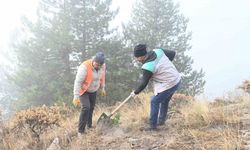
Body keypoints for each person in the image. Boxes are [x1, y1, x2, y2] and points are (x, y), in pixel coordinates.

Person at [131, 44, 181, 131]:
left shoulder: (148, 66)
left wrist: (135, 92)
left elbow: (143, 84)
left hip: (169, 83)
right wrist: (165, 68)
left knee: (154, 101)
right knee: (165, 100)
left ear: (141, 56)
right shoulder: (158, 51)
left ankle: (152, 126)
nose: (136, 59)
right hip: (176, 79)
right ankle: (161, 120)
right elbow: (172, 53)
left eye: (137, 57)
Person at [73, 52, 106, 135]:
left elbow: (102, 77)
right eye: (96, 63)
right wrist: (76, 96)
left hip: (93, 90)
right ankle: (80, 131)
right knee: (86, 108)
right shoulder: (84, 67)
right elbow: (78, 82)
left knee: (91, 108)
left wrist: (102, 88)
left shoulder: (102, 66)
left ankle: (89, 126)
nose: (97, 66)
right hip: (83, 91)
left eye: (99, 65)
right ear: (93, 60)